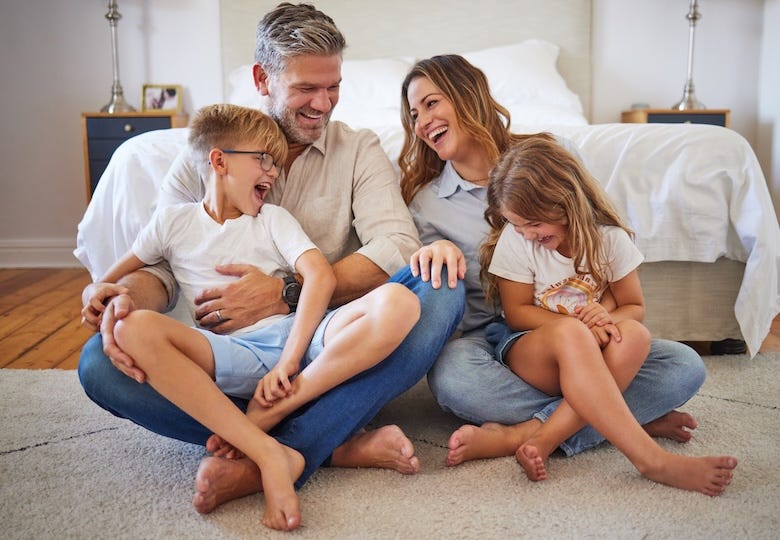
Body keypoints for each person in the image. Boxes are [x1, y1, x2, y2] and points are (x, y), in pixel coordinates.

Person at [78, 3, 464, 527]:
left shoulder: (358, 149)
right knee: (101, 359)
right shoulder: (209, 150)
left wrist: (286, 291)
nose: (323, 103)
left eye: (333, 87)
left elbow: (395, 245)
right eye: (307, 87)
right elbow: (160, 270)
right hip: (231, 356)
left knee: (440, 284)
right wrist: (125, 297)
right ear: (263, 78)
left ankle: (274, 445)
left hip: (333, 347)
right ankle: (323, 443)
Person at [399, 54, 723, 481]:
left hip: (582, 332)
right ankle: (618, 419)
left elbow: (599, 244)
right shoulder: (426, 203)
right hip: (494, 343)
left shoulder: (549, 158)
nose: (422, 121)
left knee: (684, 366)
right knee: (454, 381)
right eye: (413, 113)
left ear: (468, 95)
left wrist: (602, 319)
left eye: (431, 103)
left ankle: (532, 433)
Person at [477, 137, 736, 494]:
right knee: (566, 337)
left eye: (533, 224)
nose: (527, 234)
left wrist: (607, 317)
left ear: (564, 200)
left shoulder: (609, 240)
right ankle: (649, 455)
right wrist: (581, 326)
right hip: (533, 350)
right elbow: (518, 313)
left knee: (640, 338)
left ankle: (541, 437)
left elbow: (634, 307)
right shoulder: (517, 240)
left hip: (593, 358)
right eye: (517, 225)